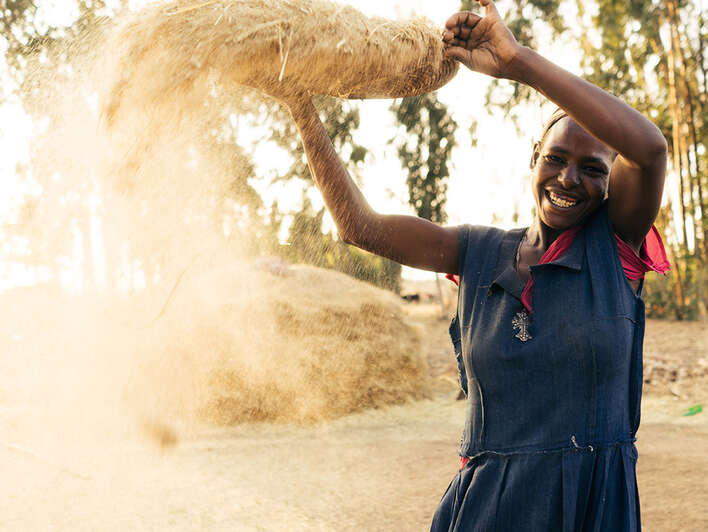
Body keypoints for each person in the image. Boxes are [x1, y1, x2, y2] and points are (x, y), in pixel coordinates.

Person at [283, 1, 669, 529]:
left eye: (592, 169)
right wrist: (298, 105)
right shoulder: (476, 251)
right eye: (556, 159)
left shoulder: (618, 245)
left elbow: (649, 149)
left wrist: (517, 63)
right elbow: (360, 226)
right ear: (534, 158)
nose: (568, 179)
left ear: (610, 183)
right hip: (487, 508)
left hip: (590, 506)